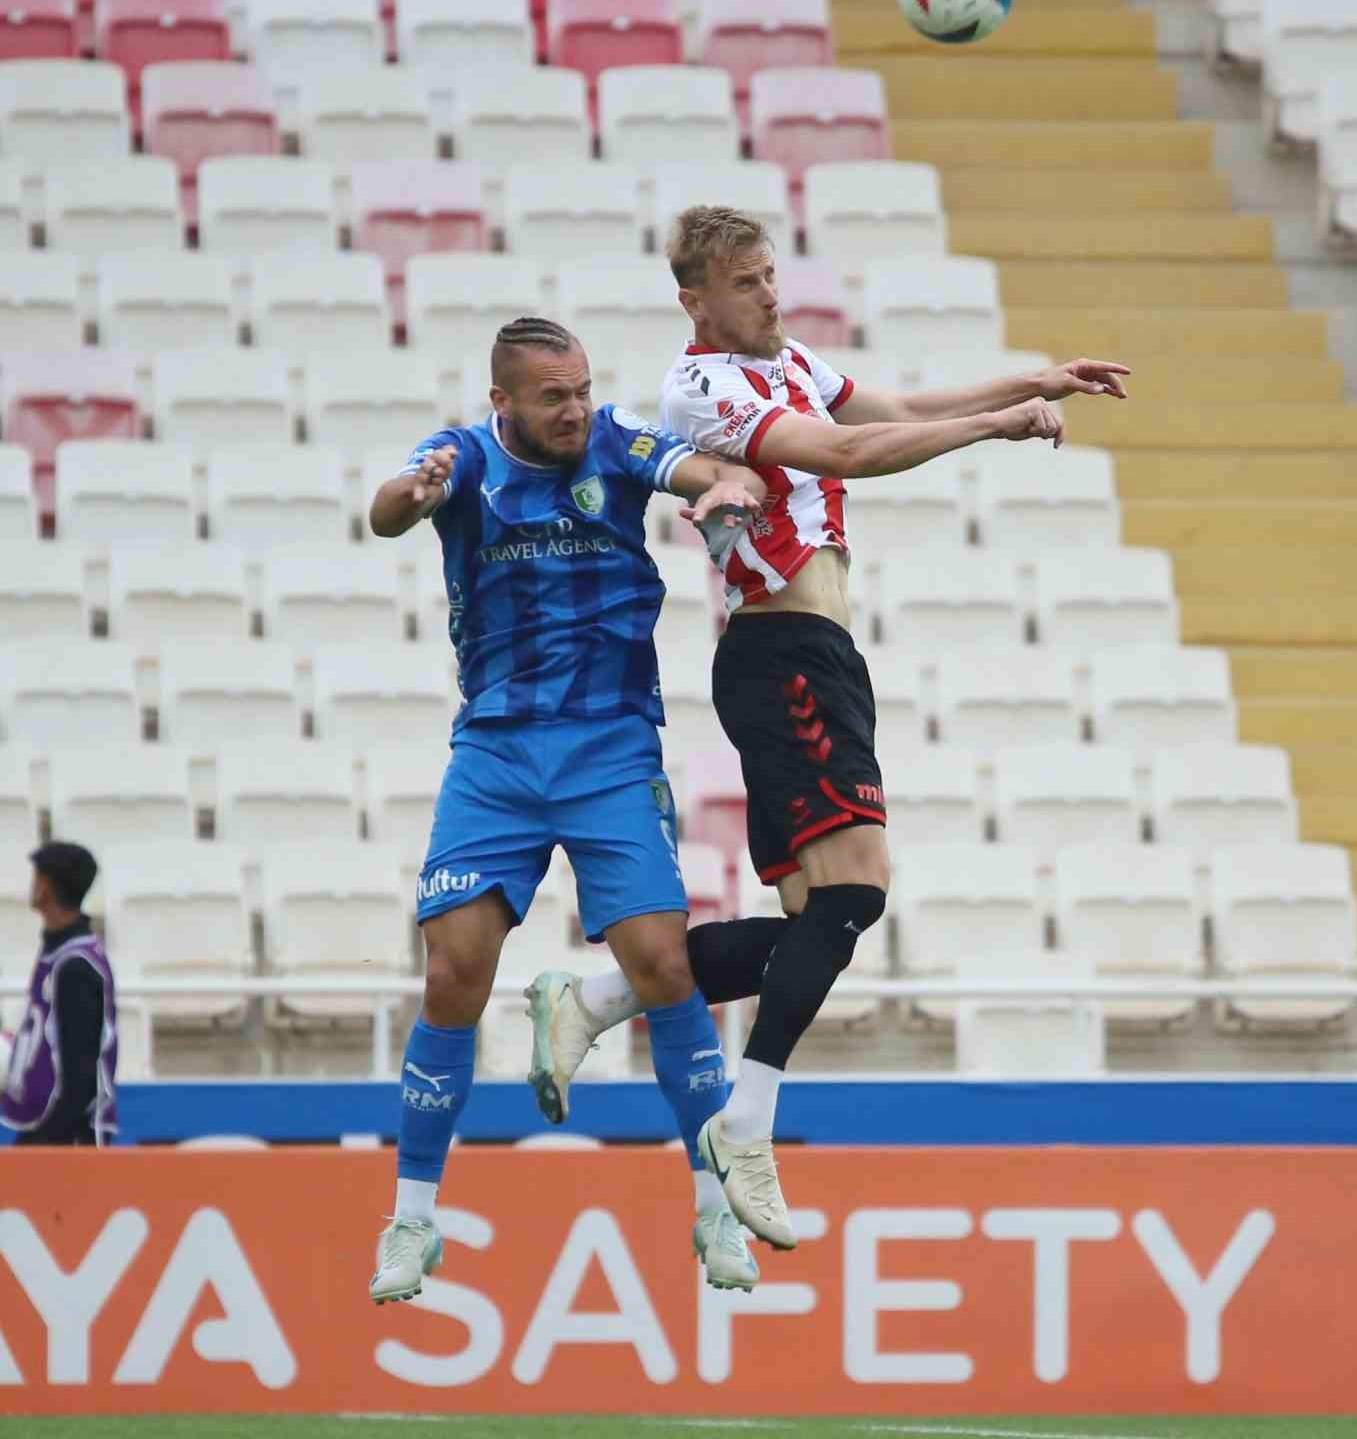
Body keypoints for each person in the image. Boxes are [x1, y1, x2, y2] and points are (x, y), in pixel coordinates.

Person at [525, 207, 1131, 1252]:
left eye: (770, 274)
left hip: (818, 656)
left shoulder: (789, 359)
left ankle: (591, 998)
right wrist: (994, 429)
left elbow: (897, 404)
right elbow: (850, 447)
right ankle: (746, 1119)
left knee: (818, 920)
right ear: (697, 302)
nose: (770, 293)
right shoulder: (702, 388)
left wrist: (1032, 381)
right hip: (781, 652)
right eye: (748, 282)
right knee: (854, 893)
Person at [365, 315, 768, 1304]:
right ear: (503, 399)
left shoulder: (617, 443)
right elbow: (387, 509)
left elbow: (691, 469)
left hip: (609, 746)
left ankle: (716, 1206)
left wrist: (719, 486)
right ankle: (413, 1220)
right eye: (555, 396)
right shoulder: (459, 457)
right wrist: (407, 498)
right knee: (454, 971)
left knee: (665, 965)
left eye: (582, 388)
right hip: (497, 750)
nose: (575, 409)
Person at [1, 842, 118, 1147]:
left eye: (37, 876)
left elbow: (79, 1071)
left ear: (47, 887)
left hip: (69, 1136)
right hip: (50, 1128)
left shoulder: (75, 966)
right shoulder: (57, 951)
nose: (32, 883)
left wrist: (48, 1142)